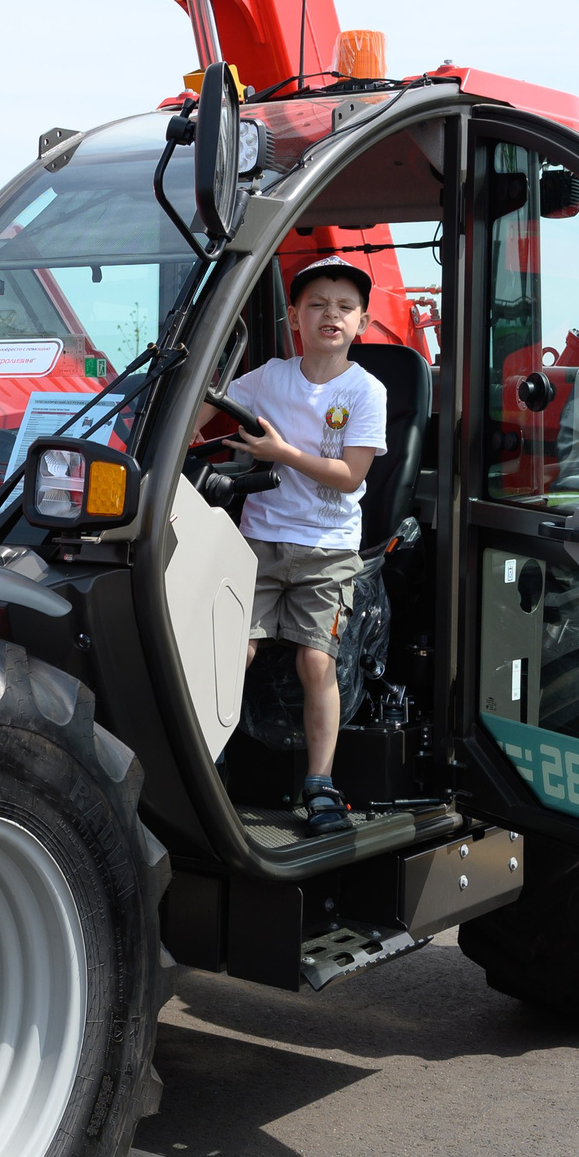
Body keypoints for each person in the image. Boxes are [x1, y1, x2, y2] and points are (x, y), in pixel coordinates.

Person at [207, 255, 387, 835]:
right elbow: (206, 411)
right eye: (316, 304)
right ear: (293, 316)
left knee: (317, 661)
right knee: (233, 652)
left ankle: (321, 786)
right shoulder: (266, 379)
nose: (330, 315)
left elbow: (350, 476)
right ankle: (206, 765)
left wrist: (280, 454)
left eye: (344, 307)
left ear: (361, 321)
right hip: (258, 543)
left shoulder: (366, 391)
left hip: (328, 550)